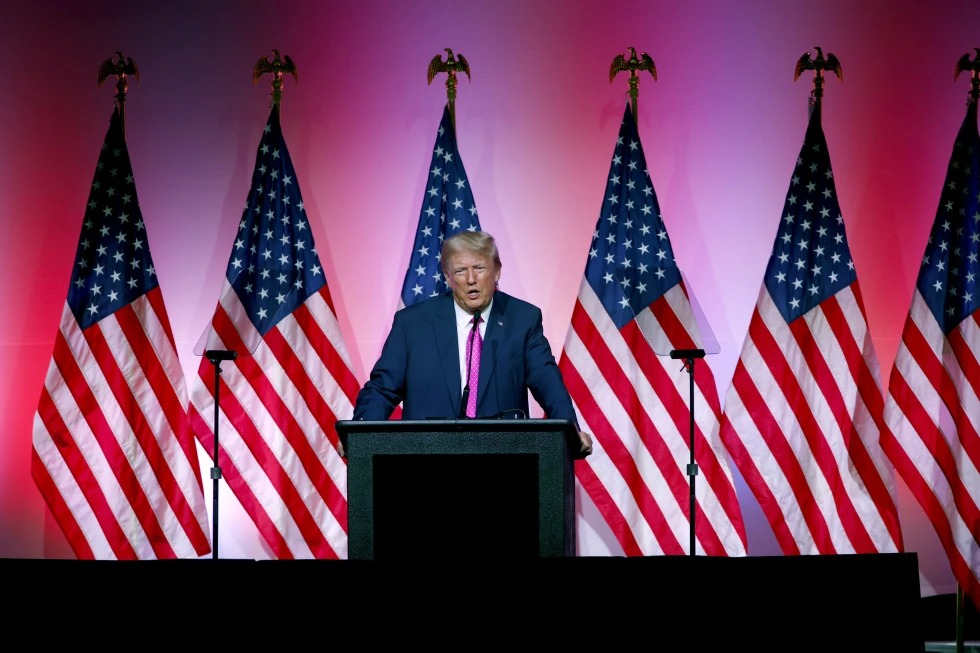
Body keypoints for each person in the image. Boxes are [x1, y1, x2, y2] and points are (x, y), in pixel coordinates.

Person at [349, 230, 592, 457]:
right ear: (447, 277)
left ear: (497, 271)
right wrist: (358, 434)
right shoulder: (412, 323)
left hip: (503, 457)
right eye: (461, 271)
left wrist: (571, 430)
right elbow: (382, 387)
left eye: (479, 268)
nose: (471, 279)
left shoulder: (522, 319)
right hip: (427, 456)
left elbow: (547, 381)